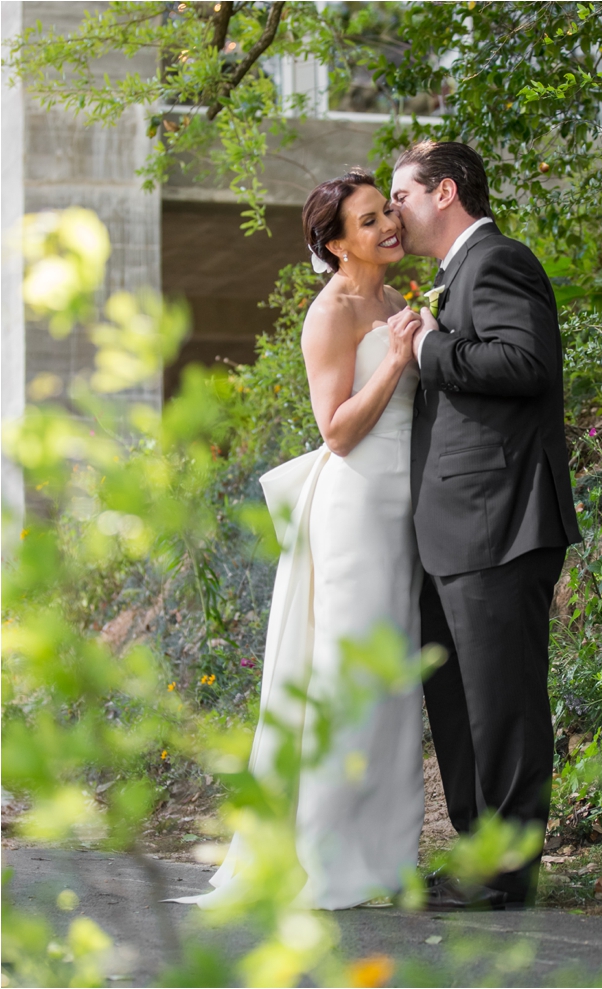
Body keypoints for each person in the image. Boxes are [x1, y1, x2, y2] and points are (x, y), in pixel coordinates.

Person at [173, 169, 426, 911]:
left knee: (390, 686)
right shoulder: (334, 311)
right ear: (335, 241)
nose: (389, 226)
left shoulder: (390, 298)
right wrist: (401, 361)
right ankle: (326, 856)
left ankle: (383, 856)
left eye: (388, 213)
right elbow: (337, 430)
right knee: (348, 683)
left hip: (399, 509)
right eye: (370, 219)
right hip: (354, 512)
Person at [388, 141, 581, 909]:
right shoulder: (454, 276)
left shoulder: (497, 260)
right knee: (465, 708)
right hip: (457, 528)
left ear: (443, 192)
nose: (394, 209)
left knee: (502, 704)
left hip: (500, 522)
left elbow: (524, 360)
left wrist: (430, 346)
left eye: (400, 193)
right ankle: (480, 856)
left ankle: (506, 872)